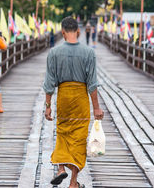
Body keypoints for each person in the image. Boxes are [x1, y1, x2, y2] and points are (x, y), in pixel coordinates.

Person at [43, 16, 104, 188]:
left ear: (62, 32)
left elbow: (49, 83)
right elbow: (92, 84)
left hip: (63, 97)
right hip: (80, 99)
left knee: (62, 133)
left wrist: (48, 107)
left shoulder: (54, 53)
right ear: (78, 31)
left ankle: (61, 168)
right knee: (78, 137)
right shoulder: (89, 53)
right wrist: (97, 108)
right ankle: (72, 183)